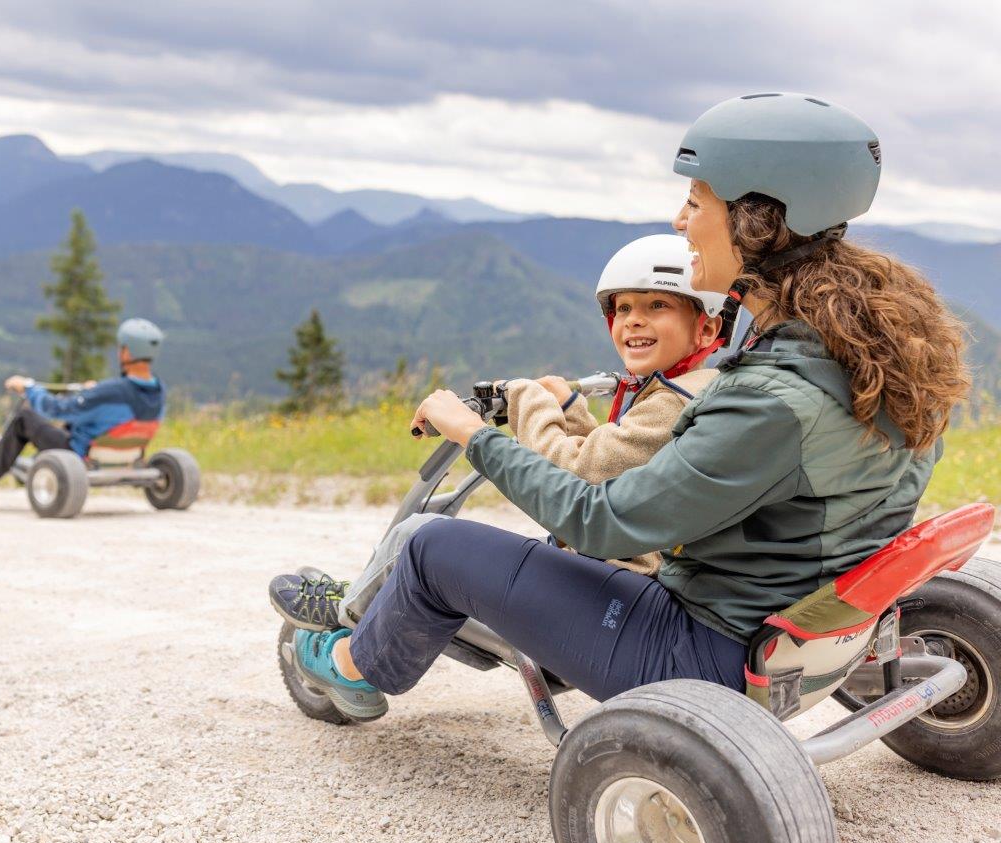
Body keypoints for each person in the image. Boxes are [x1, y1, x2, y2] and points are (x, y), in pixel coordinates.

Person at [277, 92, 970, 723]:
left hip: (702, 651)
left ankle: (345, 664)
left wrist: (475, 436)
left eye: (695, 201)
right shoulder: (875, 355)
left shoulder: (772, 401)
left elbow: (600, 520)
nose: (680, 220)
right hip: (786, 626)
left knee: (435, 544)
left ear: (757, 220)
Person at [269, 234, 727, 648]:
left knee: (423, 535)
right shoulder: (691, 392)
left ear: (706, 329)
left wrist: (524, 396)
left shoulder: (675, 402)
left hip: (618, 589)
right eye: (623, 309)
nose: (633, 321)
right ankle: (362, 619)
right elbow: (617, 467)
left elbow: (578, 478)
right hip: (627, 574)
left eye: (657, 306)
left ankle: (348, 622)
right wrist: (570, 410)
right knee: (457, 549)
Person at [0, 318, 166, 490]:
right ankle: (32, 462)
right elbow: (114, 406)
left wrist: (29, 388)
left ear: (126, 353)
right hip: (128, 455)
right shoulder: (158, 391)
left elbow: (56, 409)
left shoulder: (111, 391)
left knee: (24, 417)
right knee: (68, 425)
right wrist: (92, 392)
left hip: (79, 454)